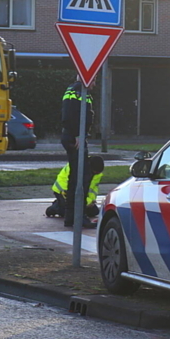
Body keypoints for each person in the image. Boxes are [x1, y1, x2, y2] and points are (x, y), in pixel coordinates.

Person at [61, 77, 94, 227]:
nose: (95, 83)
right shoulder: (79, 91)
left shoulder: (74, 90)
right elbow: (71, 115)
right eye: (94, 80)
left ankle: (70, 216)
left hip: (73, 135)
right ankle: (79, 217)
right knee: (82, 176)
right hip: (75, 137)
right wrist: (78, 134)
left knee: (75, 176)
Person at [46, 155, 105, 227]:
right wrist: (87, 203)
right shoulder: (77, 168)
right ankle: (55, 208)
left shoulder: (95, 173)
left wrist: (91, 201)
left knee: (94, 211)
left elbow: (93, 189)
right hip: (63, 191)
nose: (96, 173)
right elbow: (71, 192)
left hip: (80, 196)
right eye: (95, 172)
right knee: (69, 212)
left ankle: (61, 204)